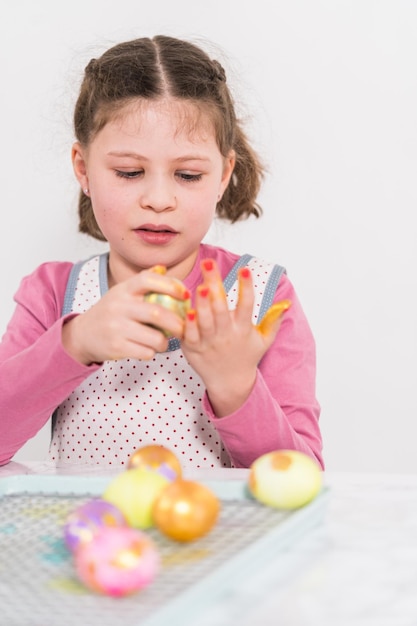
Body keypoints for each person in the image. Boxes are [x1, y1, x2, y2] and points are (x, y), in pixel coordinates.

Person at [0, 35, 323, 470]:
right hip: (91, 538)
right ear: (83, 168)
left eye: (187, 175)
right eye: (129, 172)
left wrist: (235, 386)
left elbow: (302, 478)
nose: (158, 198)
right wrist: (73, 344)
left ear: (224, 174)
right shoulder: (52, 294)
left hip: (220, 540)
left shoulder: (261, 296)